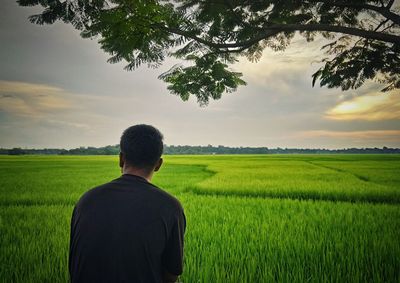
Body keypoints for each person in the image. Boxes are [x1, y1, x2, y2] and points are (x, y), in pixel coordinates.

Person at [69, 124, 186, 283]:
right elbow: (171, 275)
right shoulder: (170, 207)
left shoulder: (86, 201)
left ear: (121, 159)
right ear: (158, 164)